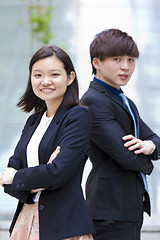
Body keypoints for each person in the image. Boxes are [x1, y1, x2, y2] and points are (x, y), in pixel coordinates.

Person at [0, 45, 95, 240]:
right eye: (38, 75)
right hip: (25, 221)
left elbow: (59, 172)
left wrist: (19, 177)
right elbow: (7, 179)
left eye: (54, 74)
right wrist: (35, 178)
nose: (45, 81)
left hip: (62, 226)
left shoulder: (78, 116)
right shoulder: (34, 121)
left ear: (70, 78)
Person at [80, 28, 160, 240]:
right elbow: (128, 157)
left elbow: (155, 139)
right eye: (117, 59)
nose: (126, 66)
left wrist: (150, 146)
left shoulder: (124, 100)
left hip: (127, 208)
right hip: (109, 211)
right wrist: (149, 161)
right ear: (96, 63)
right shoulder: (93, 101)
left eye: (131, 59)